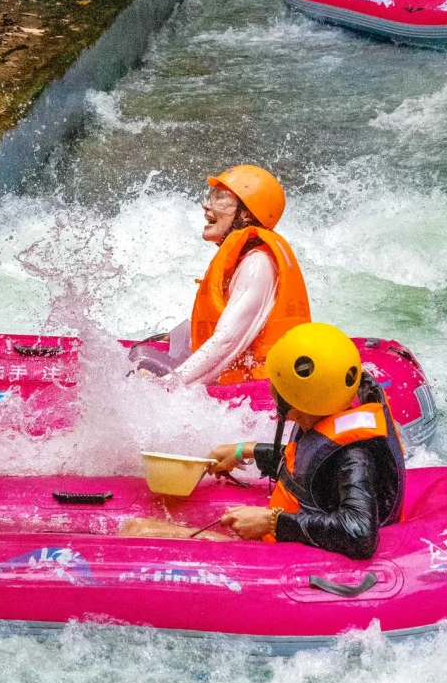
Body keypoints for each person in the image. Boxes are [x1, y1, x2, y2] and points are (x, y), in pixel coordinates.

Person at [205, 322, 405, 560]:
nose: (270, 388)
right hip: (301, 523)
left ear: (295, 398)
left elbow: (360, 533)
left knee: (166, 533)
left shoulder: (355, 456)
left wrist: (272, 522)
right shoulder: (322, 414)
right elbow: (306, 467)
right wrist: (243, 450)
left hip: (307, 561)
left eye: (274, 384)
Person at [136, 165, 310, 388]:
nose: (206, 206)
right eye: (211, 196)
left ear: (246, 213)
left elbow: (227, 341)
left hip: (257, 390)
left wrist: (168, 385)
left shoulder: (257, 264)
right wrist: (187, 335)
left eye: (220, 199)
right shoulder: (247, 258)